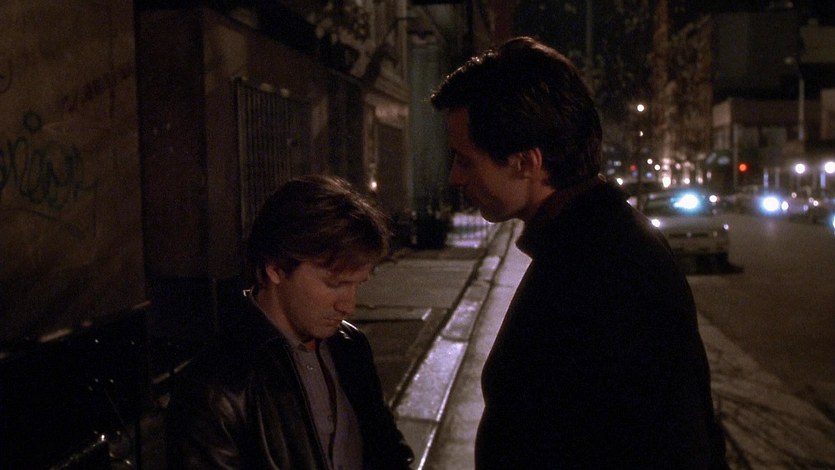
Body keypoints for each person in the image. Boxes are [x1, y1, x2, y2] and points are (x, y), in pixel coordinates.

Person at [430, 36, 728, 468]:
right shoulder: (593, 246)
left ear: (526, 162)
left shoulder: (602, 270)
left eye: (465, 160)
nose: (455, 178)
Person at [165, 175, 414, 469]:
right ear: (276, 268)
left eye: (357, 284)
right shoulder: (216, 390)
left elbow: (388, 451)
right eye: (334, 284)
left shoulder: (350, 347)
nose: (348, 305)